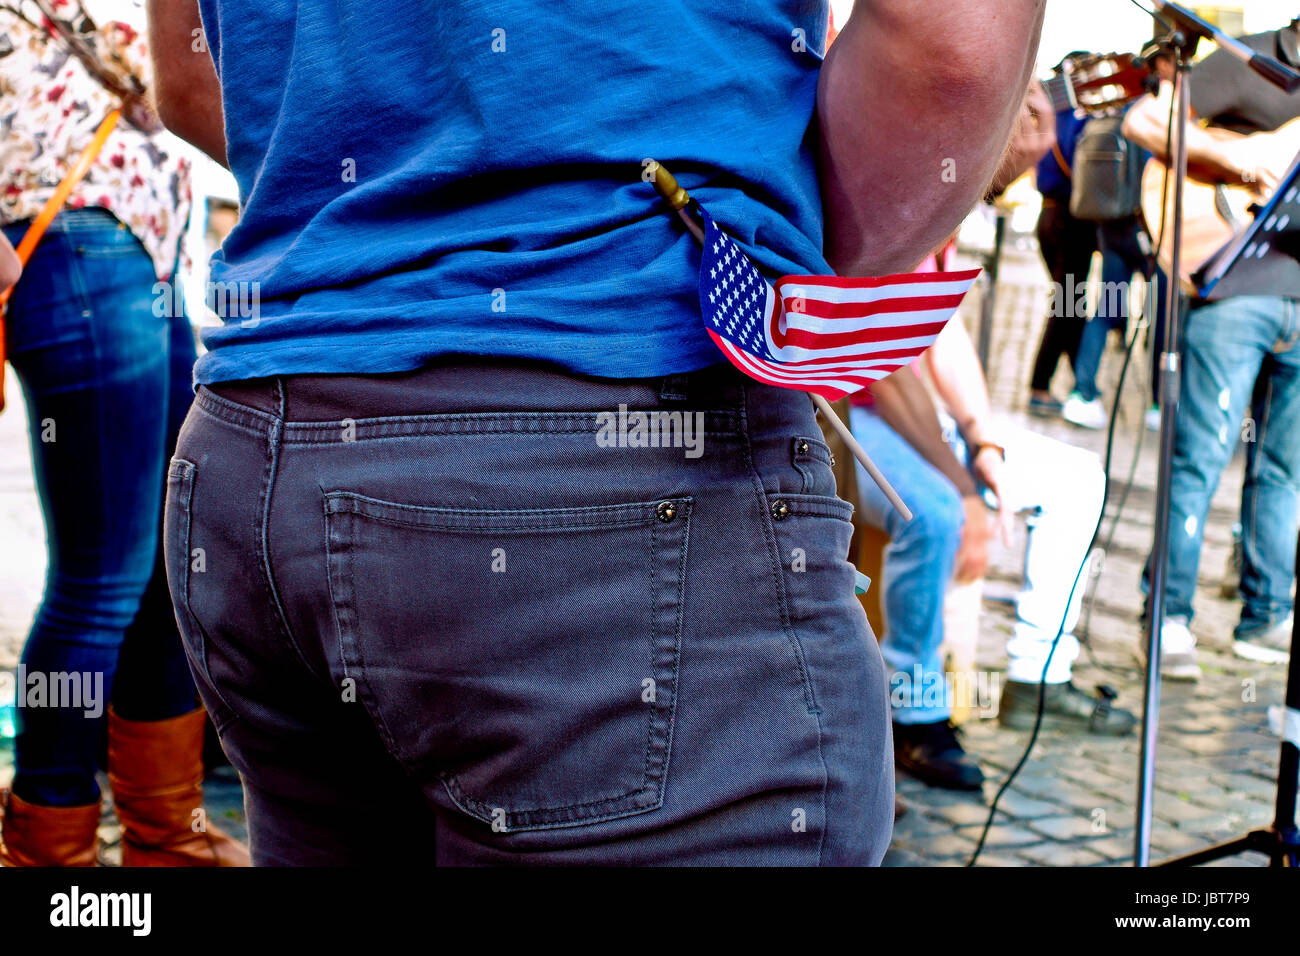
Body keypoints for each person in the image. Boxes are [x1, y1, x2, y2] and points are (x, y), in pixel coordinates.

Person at [146, 0, 1046, 864]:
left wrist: (407, 204)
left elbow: (188, 74)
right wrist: (765, 242)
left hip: (259, 441)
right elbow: (952, 53)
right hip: (610, 445)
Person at [0, 0, 246, 866]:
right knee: (101, 578)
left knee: (154, 569)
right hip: (73, 235)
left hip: (140, 248)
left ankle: (163, 830)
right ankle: (49, 838)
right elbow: (160, 74)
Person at [852, 244, 1136, 791]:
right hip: (845, 418)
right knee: (933, 515)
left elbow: (946, 338)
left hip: (913, 419)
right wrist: (967, 492)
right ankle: (911, 710)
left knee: (1076, 476)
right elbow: (882, 372)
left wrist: (984, 442)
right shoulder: (885, 207)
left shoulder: (941, 219)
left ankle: (1038, 678)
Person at [1125, 18, 1300, 674]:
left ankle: (1268, 615)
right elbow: (1145, 121)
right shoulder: (1252, 57)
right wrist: (1243, 161)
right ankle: (1166, 617)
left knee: (1286, 472)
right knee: (1200, 457)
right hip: (1234, 282)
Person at [1028, 54, 1098, 418]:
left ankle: (1079, 383)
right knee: (1067, 305)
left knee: (1070, 304)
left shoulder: (1051, 115)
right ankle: (1042, 386)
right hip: (1067, 220)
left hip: (1053, 216)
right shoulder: (1071, 118)